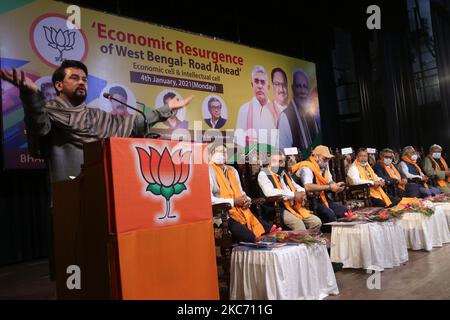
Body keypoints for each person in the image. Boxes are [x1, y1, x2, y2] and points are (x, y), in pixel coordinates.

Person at [0, 60, 193, 182]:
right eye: (74, 78)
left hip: (102, 193)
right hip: (67, 196)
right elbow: (38, 126)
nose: (82, 82)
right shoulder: (49, 113)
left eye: (84, 79)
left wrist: (167, 109)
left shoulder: (96, 116)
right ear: (59, 85)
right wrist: (30, 94)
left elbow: (135, 123)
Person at [209, 144, 272, 242]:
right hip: (223, 215)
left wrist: (246, 200)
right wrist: (233, 202)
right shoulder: (208, 171)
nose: (224, 154)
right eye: (221, 152)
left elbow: (241, 192)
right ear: (212, 153)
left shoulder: (232, 170)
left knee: (268, 231)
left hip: (241, 210)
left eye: (226, 152)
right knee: (250, 237)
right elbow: (209, 199)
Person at [258, 152, 322, 231]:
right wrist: (294, 195)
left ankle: (308, 241)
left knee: (316, 222)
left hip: (291, 205)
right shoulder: (263, 174)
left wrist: (302, 193)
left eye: (282, 161)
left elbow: (295, 186)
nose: (281, 164)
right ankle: (300, 242)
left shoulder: (284, 173)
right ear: (270, 162)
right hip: (277, 208)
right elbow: (269, 192)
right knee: (299, 225)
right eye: (277, 161)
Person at [292, 145, 348, 229]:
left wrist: (335, 185)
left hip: (322, 198)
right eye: (325, 159)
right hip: (308, 200)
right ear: (316, 156)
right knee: (330, 216)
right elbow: (307, 187)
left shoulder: (324, 165)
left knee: (345, 212)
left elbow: (330, 180)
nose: (327, 161)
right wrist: (329, 187)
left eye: (328, 159)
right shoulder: (306, 167)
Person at [234, 65, 277, 146]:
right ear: (252, 85)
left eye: (263, 82)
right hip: (250, 157)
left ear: (268, 87)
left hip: (273, 156)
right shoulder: (244, 109)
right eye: (256, 81)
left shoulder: (276, 111)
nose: (259, 86)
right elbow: (238, 142)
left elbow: (280, 142)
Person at [278, 68, 320, 150]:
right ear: (293, 88)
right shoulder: (285, 116)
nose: (302, 91)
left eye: (305, 87)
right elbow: (282, 151)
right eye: (298, 86)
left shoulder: (312, 115)